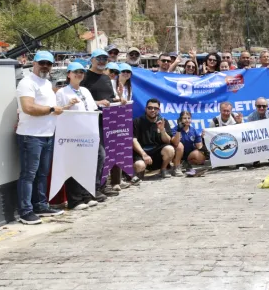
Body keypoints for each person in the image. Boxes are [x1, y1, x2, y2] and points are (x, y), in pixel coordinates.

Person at [15, 50, 67, 224]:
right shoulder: (26, 82)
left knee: (42, 173)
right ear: (34, 63)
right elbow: (28, 108)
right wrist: (52, 110)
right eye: (42, 62)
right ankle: (25, 211)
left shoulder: (45, 82)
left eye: (49, 63)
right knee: (28, 175)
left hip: (46, 135)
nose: (45, 66)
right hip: (31, 136)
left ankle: (41, 205)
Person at [56, 62, 105, 210]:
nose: (79, 74)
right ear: (68, 74)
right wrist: (68, 106)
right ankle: (75, 200)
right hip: (72, 134)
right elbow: (58, 112)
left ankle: (86, 195)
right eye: (75, 72)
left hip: (89, 133)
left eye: (81, 72)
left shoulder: (85, 91)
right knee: (75, 165)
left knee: (91, 163)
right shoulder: (62, 92)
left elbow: (93, 109)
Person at [81, 49, 125, 193]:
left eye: (104, 59)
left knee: (106, 154)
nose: (101, 61)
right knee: (99, 155)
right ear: (92, 60)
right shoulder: (85, 77)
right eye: (99, 58)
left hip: (107, 121)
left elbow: (110, 98)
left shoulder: (106, 78)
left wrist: (119, 100)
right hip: (91, 122)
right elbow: (80, 98)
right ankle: (93, 188)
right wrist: (98, 102)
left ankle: (101, 185)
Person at [133, 98, 183, 178]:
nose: (152, 110)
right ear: (146, 109)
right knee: (139, 165)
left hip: (158, 154)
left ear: (159, 110)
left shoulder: (163, 121)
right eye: (150, 108)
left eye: (155, 108)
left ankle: (163, 169)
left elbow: (167, 141)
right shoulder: (137, 121)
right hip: (142, 153)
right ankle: (141, 172)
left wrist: (162, 130)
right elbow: (133, 140)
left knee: (169, 149)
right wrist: (144, 154)